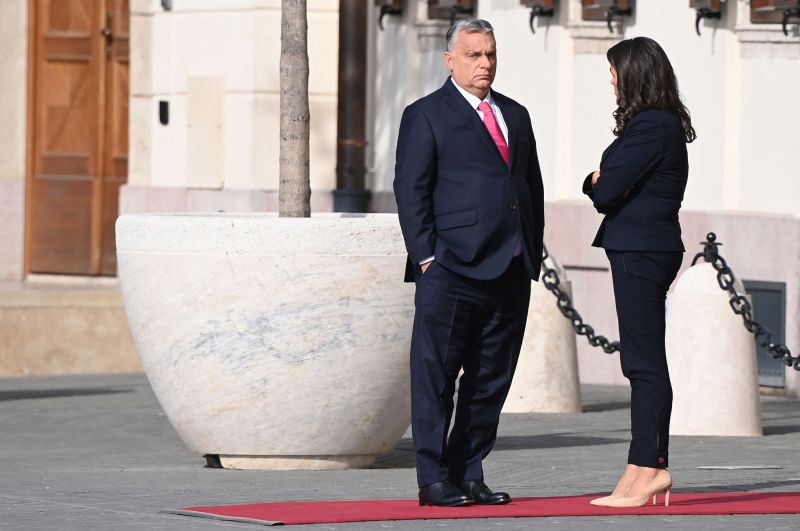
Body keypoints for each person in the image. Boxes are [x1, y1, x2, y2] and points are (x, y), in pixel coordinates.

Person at [393, 19, 545, 507]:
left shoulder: (515, 115)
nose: (484, 64)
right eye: (474, 55)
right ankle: (433, 478)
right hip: (451, 270)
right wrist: (428, 258)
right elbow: (411, 190)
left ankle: (469, 470)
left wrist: (532, 251)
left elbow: (530, 188)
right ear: (450, 60)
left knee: (489, 379)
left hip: (510, 269)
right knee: (436, 376)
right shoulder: (426, 115)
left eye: (491, 55)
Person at [582, 36, 696, 508]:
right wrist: (600, 181)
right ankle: (638, 465)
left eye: (614, 71)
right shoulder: (654, 125)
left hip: (642, 250)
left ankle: (652, 467)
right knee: (638, 362)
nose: (610, 80)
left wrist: (594, 181)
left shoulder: (652, 127)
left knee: (644, 364)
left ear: (634, 74)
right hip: (641, 249)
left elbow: (605, 192)